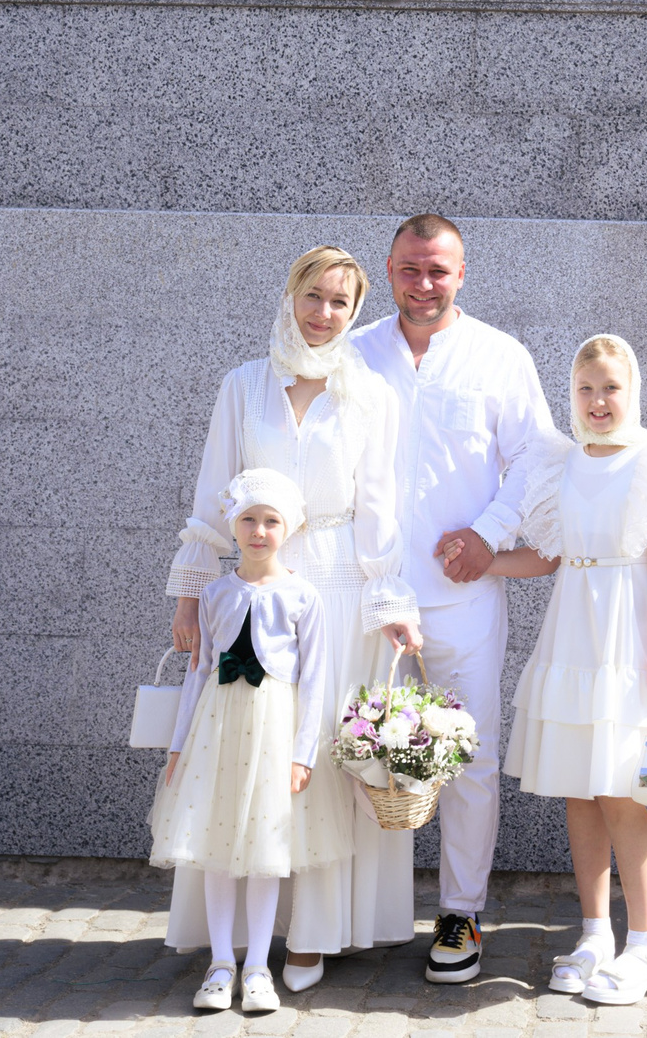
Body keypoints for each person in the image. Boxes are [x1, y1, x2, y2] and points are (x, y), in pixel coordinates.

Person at [165, 247, 423, 989]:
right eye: (313, 296)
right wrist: (191, 591)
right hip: (255, 592)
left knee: (323, 763)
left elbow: (380, 508)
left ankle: (312, 935)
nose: (324, 313)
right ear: (290, 295)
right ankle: (236, 946)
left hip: (340, 592)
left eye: (341, 301)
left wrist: (392, 603)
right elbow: (216, 493)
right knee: (246, 756)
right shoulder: (243, 385)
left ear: (354, 310)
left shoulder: (368, 391)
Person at [350, 213, 562, 984]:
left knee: (467, 758)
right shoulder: (357, 351)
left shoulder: (500, 356)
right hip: (372, 597)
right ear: (389, 268)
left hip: (463, 595)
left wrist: (487, 533)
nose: (424, 283)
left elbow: (537, 460)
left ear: (462, 273)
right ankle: (358, 911)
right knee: (362, 754)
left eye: (438, 269)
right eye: (411, 268)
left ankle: (459, 910)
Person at [486, 333, 647, 1005]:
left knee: (620, 788)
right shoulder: (561, 463)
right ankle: (594, 932)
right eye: (585, 389)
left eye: (610, 387)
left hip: (630, 634)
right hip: (572, 633)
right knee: (578, 789)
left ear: (631, 390)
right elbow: (547, 555)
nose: (597, 401)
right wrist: (485, 561)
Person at [150, 470, 347, 1013]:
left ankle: (259, 965)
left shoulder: (302, 596)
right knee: (214, 847)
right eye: (249, 520)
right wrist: (177, 746)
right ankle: (220, 963)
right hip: (217, 732)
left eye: (271, 521)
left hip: (274, 730)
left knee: (265, 849)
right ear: (233, 526)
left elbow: (316, 679)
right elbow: (198, 672)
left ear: (289, 529)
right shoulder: (215, 593)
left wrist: (303, 752)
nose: (259, 531)